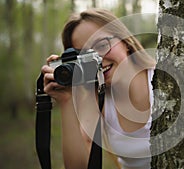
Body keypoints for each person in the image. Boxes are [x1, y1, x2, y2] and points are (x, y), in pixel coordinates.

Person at [41, 8, 156, 169]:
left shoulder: (165, 79)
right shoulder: (95, 100)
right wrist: (66, 99)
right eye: (85, 55)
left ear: (125, 41)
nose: (97, 60)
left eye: (102, 45)